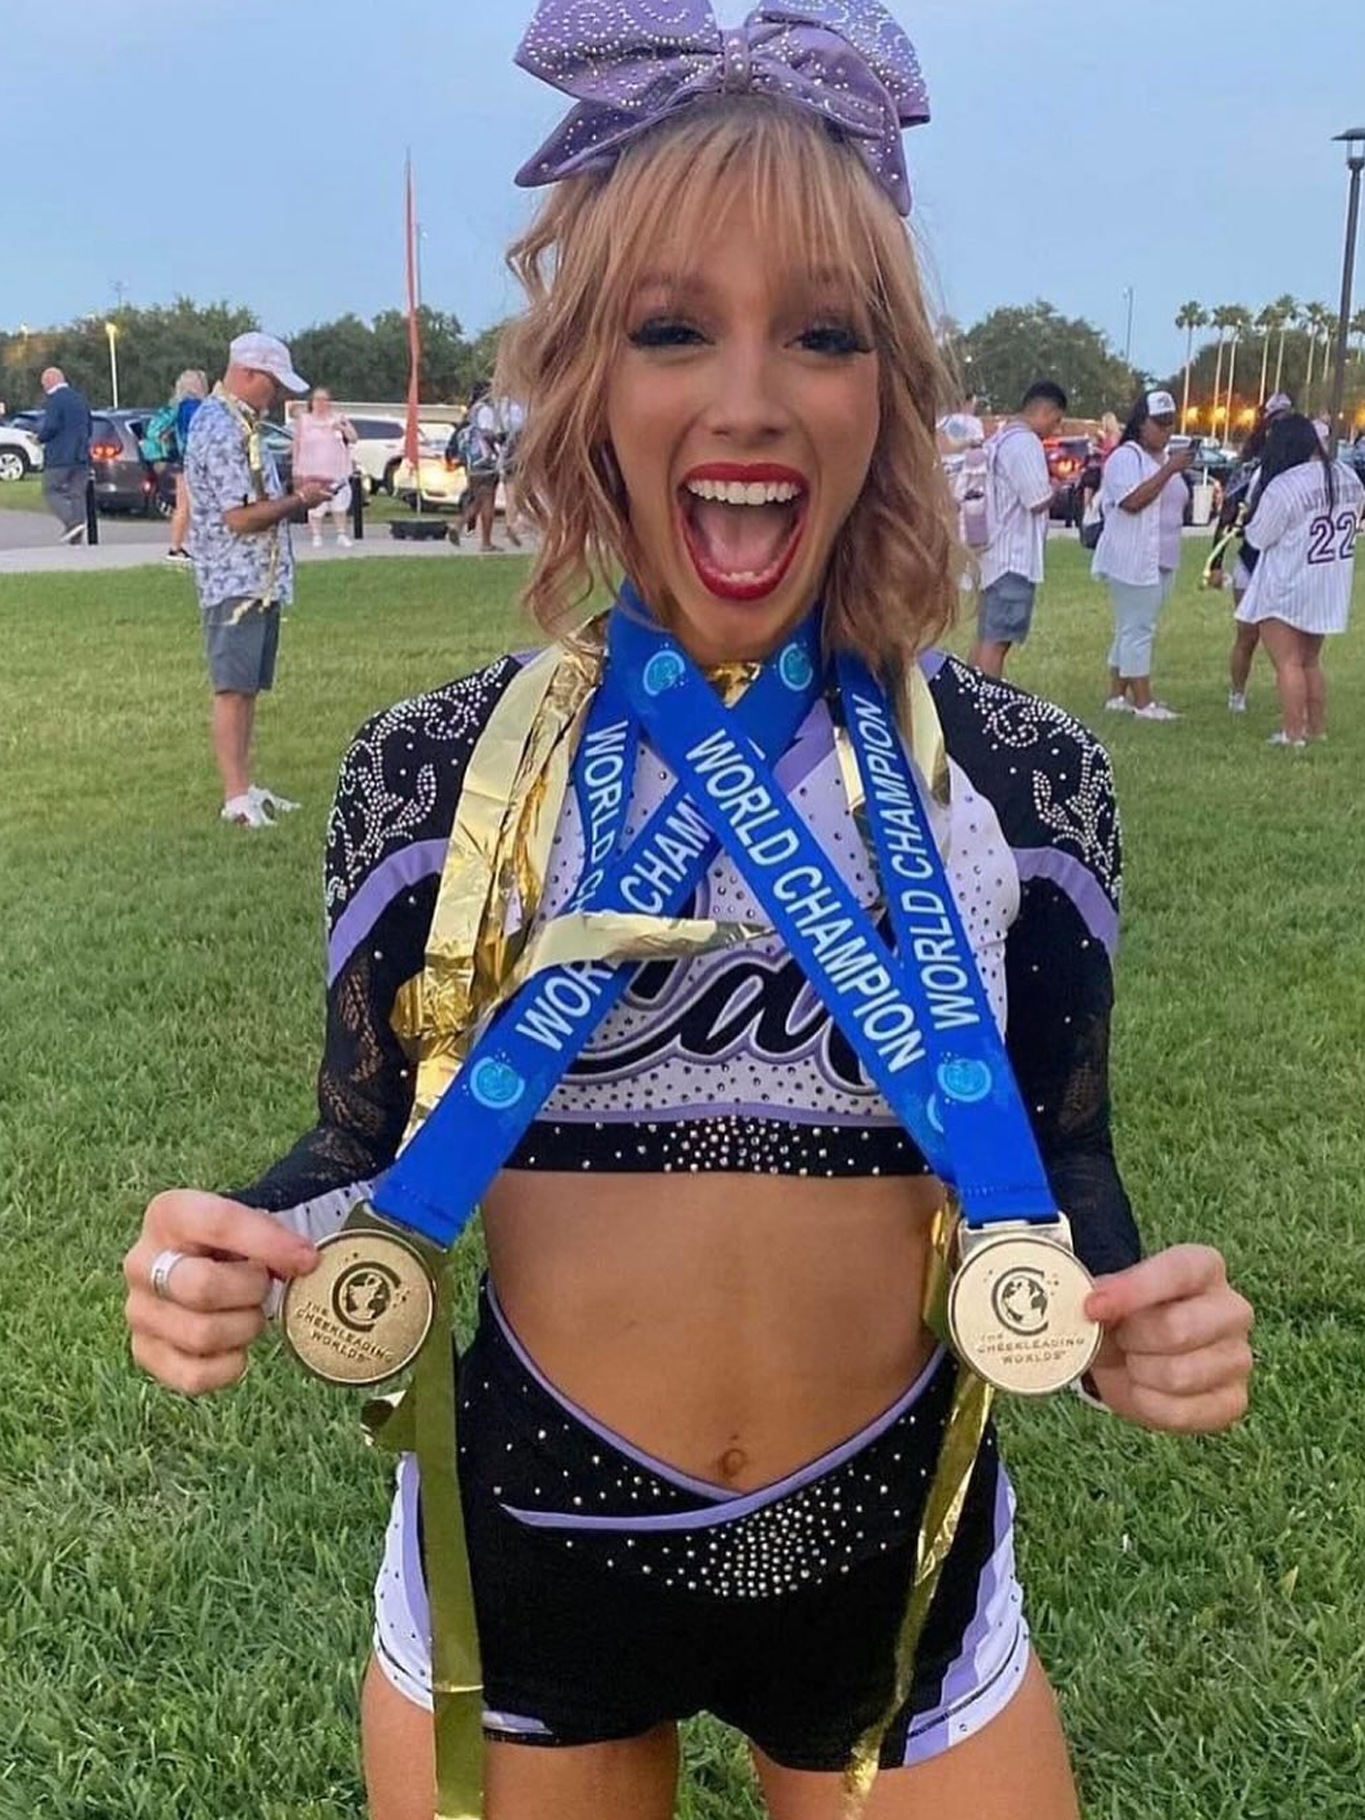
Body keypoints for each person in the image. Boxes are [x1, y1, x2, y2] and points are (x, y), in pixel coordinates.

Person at [123, 10, 1253, 1820]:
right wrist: (240, 1249)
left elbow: (1059, 1155)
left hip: (898, 1565)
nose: (748, 400)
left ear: (891, 392)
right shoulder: (433, 774)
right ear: (585, 381)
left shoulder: (1024, 785)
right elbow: (363, 1136)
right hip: (527, 1557)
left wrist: (1132, 1312)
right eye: (671, 330)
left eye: (823, 332)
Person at [182, 332, 333, 829]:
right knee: (232, 688)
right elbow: (239, 517)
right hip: (234, 580)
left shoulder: (242, 423)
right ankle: (234, 797)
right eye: (272, 382)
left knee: (247, 686)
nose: (278, 394)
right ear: (247, 373)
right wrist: (300, 501)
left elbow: (251, 498)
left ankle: (245, 786)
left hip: (257, 578)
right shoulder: (220, 427)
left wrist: (291, 493)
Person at [1235, 411, 1364, 747]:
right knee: (1310, 661)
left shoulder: (1284, 486)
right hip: (1327, 580)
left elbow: (1259, 537)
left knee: (1288, 663)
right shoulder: (1348, 475)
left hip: (1287, 583)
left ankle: (1292, 735)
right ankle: (1316, 729)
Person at [1092, 390, 1195, 719]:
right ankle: (1143, 702)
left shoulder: (1162, 459)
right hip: (1134, 558)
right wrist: (1169, 471)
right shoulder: (1126, 458)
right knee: (1139, 630)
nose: (1165, 431)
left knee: (1130, 628)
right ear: (1141, 423)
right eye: (1158, 423)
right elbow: (1132, 501)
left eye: (1170, 424)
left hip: (1162, 558)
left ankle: (1117, 695)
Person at [969, 381, 1067, 679]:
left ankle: (969, 694)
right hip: (1013, 557)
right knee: (997, 641)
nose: (1057, 429)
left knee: (986, 636)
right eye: (1056, 420)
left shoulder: (1000, 438)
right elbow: (1036, 499)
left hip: (993, 552)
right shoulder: (1025, 443)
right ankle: (987, 699)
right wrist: (1057, 487)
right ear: (1043, 410)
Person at [1205, 393, 1293, 712]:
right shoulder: (1251, 466)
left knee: (1288, 637)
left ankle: (1292, 696)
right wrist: (1215, 563)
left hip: (1288, 560)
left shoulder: (1301, 468)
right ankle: (1237, 694)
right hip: (1253, 556)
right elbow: (1228, 514)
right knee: (1247, 633)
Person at [292, 387, 358, 549]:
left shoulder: (339, 418)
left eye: (325, 400)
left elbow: (354, 438)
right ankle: (316, 535)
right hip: (311, 471)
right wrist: (295, 468)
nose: (321, 403)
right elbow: (296, 444)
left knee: (339, 503)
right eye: (318, 400)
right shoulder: (304, 420)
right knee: (315, 506)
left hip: (337, 470)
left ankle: (341, 534)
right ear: (312, 402)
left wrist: (343, 428)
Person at [35, 365, 92, 545]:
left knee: (50, 489)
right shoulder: (80, 398)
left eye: (44, 384)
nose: (44, 388)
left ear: (50, 381)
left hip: (60, 455)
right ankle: (76, 535)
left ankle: (71, 523)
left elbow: (52, 426)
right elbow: (89, 426)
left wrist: (39, 438)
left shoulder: (54, 400)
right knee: (77, 493)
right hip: (81, 454)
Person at [449, 383, 505, 552]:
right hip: (486, 461)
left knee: (479, 500)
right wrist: (500, 438)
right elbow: (488, 434)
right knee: (487, 500)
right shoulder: (485, 410)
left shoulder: (470, 413)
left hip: (472, 462)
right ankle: (481, 539)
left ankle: (462, 527)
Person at [164, 369, 209, 566]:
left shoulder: (177, 408)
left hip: (180, 460)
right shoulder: (196, 408)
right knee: (197, 505)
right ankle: (197, 545)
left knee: (182, 505)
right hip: (195, 460)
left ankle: (175, 546)